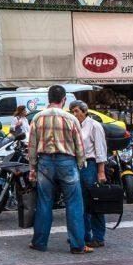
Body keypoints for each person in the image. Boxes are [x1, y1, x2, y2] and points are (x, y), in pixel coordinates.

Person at [28, 84, 89, 254]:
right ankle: (77, 245)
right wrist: (80, 163)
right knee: (74, 203)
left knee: (44, 202)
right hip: (67, 162)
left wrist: (32, 167)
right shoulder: (71, 119)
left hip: (45, 163)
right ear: (63, 100)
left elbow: (31, 145)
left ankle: (39, 242)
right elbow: (79, 146)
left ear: (48, 99)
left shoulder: (38, 118)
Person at [70, 100, 108, 249]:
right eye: (72, 111)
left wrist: (101, 171)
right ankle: (84, 235)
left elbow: (100, 150)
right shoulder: (74, 126)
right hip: (77, 165)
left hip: (90, 165)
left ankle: (99, 237)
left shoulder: (94, 126)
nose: (74, 114)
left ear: (85, 111)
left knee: (95, 202)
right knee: (81, 202)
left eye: (77, 111)